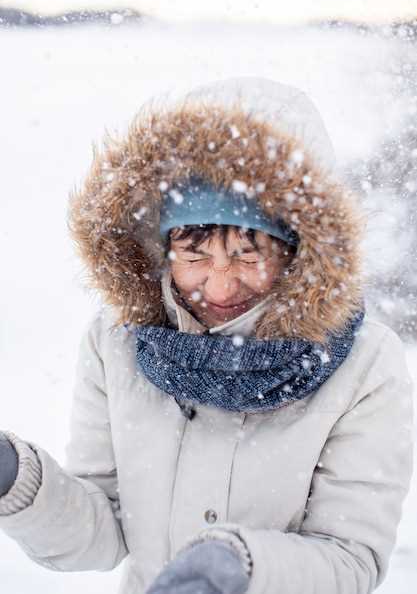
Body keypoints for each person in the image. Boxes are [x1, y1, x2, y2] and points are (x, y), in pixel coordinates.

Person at [0, 77, 413, 594]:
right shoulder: (118, 342)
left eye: (248, 254)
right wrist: (17, 479)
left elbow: (350, 558)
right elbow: (102, 532)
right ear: (162, 246)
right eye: (194, 255)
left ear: (297, 251)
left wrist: (239, 567)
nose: (219, 285)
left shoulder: (364, 364)